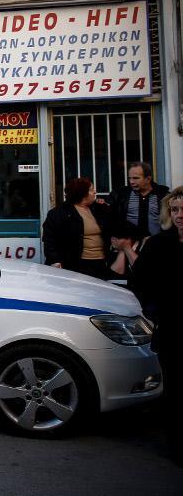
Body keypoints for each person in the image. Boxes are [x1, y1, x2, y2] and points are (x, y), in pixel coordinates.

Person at [133, 186, 183, 461]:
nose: (179, 216)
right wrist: (156, 311)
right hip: (173, 329)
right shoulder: (159, 244)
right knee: (175, 391)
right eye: (174, 210)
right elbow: (140, 282)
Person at [42, 178, 111, 279]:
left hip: (102, 262)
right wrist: (54, 260)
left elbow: (115, 224)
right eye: (91, 190)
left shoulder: (98, 209)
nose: (95, 192)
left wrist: (107, 207)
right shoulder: (59, 213)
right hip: (78, 265)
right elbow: (49, 240)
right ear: (82, 193)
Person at [108, 162, 170, 238]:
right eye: (130, 178)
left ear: (148, 179)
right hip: (129, 244)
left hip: (156, 244)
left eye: (135, 178)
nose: (131, 182)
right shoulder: (121, 195)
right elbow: (111, 220)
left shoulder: (163, 195)